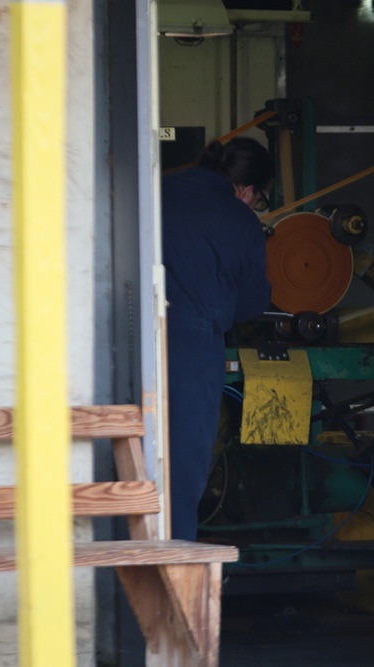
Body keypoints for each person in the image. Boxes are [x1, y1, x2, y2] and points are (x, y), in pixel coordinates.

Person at [162, 136, 274, 541]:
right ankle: (172, 580)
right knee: (181, 471)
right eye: (258, 200)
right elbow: (250, 306)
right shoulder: (241, 220)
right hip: (192, 353)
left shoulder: (156, 189)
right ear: (246, 190)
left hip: (128, 336)